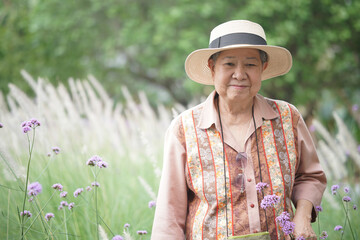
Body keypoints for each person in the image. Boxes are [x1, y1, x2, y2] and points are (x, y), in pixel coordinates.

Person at [151, 20, 326, 240]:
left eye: (251, 65)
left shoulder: (287, 117)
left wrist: (302, 215)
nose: (240, 74)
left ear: (263, 68)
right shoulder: (185, 128)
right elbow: (169, 214)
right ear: (212, 68)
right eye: (229, 64)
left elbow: (310, 176)